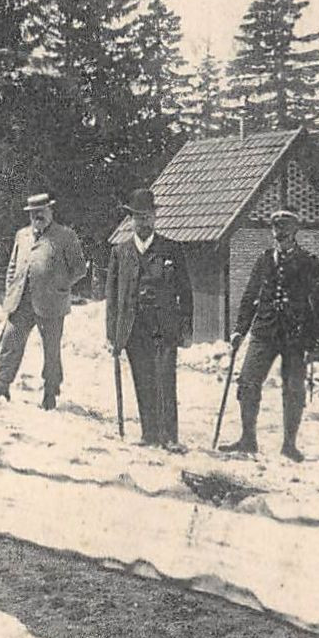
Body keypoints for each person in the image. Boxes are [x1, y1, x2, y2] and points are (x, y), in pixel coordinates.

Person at [221, 209, 319, 461]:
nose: (280, 238)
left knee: (293, 389)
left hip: (295, 335)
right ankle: (248, 439)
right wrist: (239, 329)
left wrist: (312, 338)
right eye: (277, 233)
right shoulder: (264, 260)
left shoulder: (308, 262)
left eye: (285, 233)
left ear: (294, 233)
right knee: (247, 382)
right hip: (264, 331)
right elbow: (249, 297)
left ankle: (289, 445)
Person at [105, 187, 193, 448]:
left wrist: (186, 327)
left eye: (147, 216)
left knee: (165, 380)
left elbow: (185, 292)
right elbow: (112, 297)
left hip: (164, 328)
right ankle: (149, 434)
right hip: (133, 328)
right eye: (137, 217)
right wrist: (112, 333)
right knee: (142, 379)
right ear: (131, 220)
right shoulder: (120, 253)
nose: (142, 222)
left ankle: (170, 437)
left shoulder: (171, 249)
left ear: (155, 217)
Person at [0, 192, 88, 410]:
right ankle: (3, 383)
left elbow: (80, 269)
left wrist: (61, 285)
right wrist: (10, 293)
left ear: (51, 211)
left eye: (42, 211)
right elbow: (12, 267)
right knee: (10, 340)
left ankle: (50, 391)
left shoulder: (65, 236)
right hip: (21, 301)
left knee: (51, 350)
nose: (38, 216)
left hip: (51, 303)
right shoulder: (22, 235)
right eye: (34, 213)